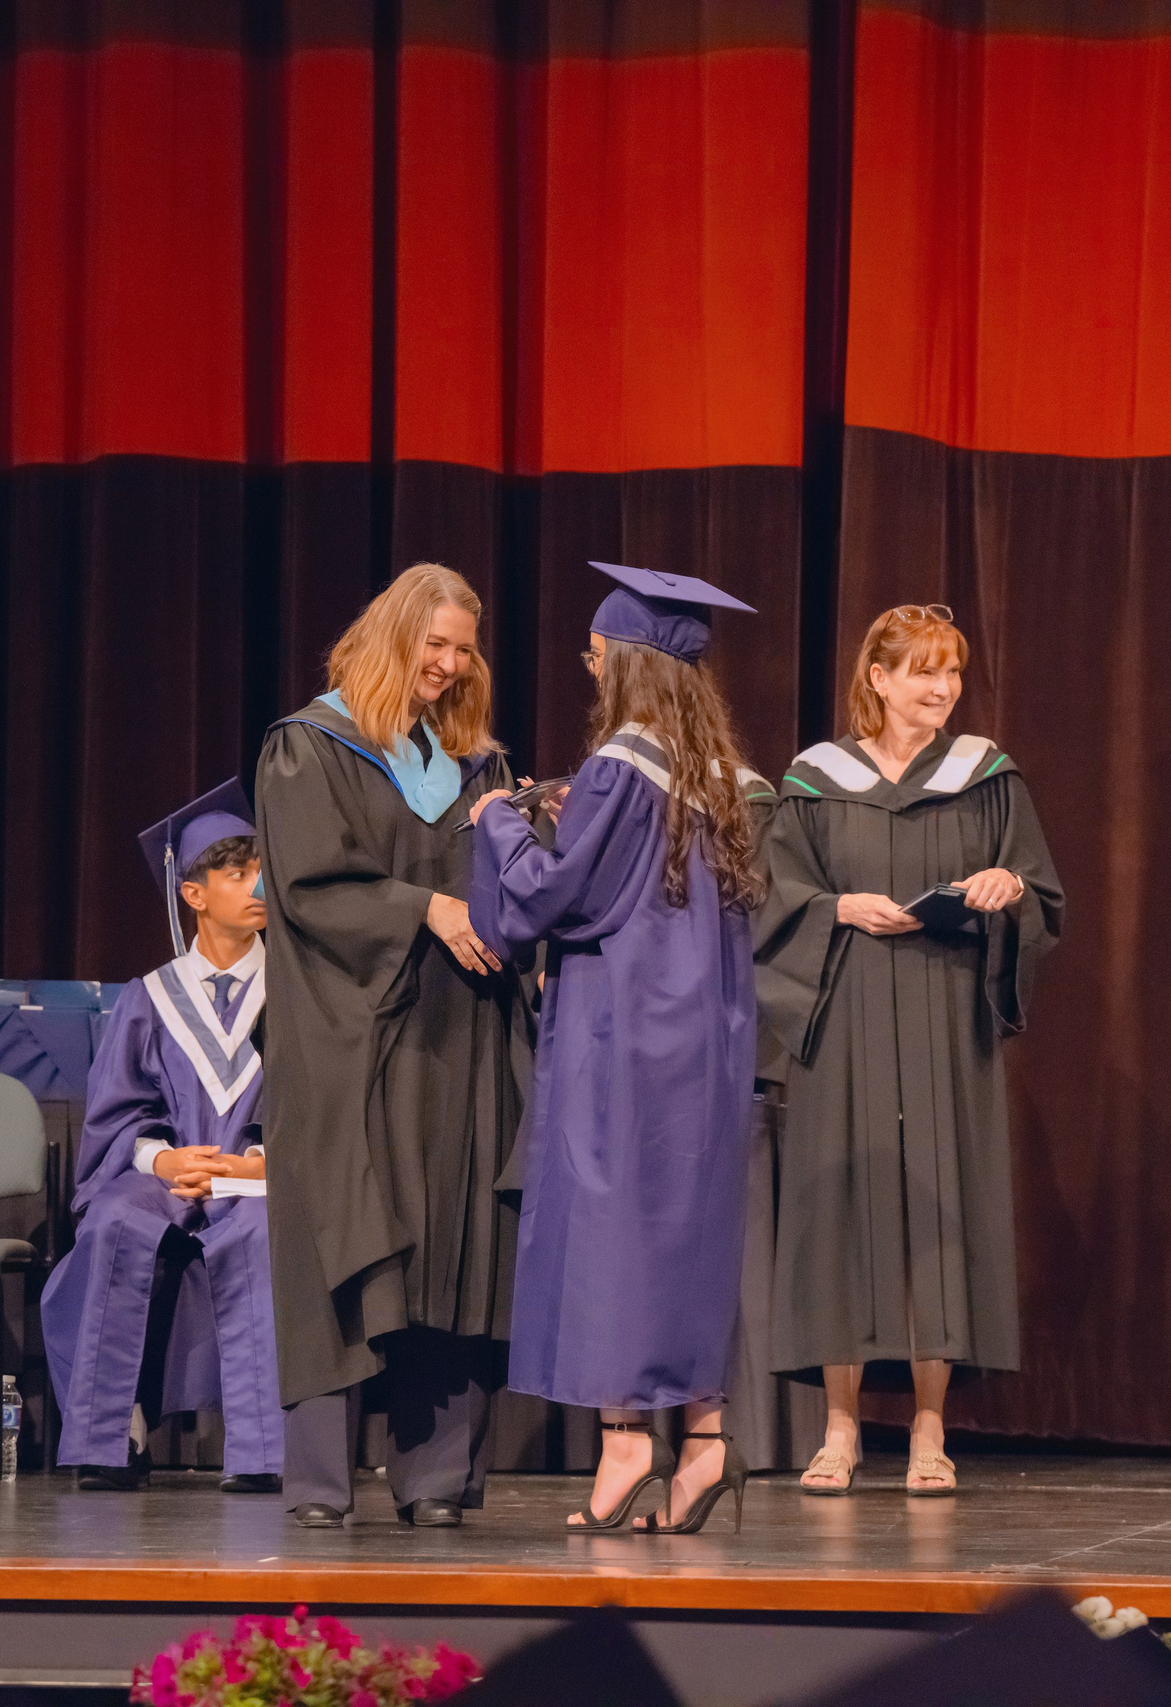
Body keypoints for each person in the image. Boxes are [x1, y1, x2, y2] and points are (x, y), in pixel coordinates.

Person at [470, 562, 774, 1534]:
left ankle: (625, 1442)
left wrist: (500, 825)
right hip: (709, 1040)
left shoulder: (617, 768)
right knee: (686, 1231)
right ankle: (705, 1443)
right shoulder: (717, 778)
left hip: (622, 1034)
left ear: (632, 667)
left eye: (598, 654)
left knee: (611, 1234)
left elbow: (556, 898)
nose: (587, 666)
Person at [756, 604, 1062, 1497]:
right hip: (843, 1006)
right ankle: (840, 1428)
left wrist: (1007, 888)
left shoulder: (988, 778)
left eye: (953, 673)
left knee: (942, 1202)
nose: (942, 689)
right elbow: (775, 897)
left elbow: (1038, 891)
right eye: (924, 671)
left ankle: (931, 1427)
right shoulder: (813, 780)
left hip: (941, 1006)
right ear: (877, 680)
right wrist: (838, 908)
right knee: (841, 1205)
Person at [256, 562, 530, 1528]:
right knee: (346, 1236)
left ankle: (437, 1478)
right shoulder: (310, 746)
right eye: (435, 646)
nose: (451, 667)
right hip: (348, 1037)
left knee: (451, 1239)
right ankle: (322, 1484)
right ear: (392, 637)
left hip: (460, 1030)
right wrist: (428, 906)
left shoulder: (475, 764)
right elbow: (311, 889)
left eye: (464, 649)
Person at [43, 780, 283, 1494]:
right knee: (117, 1217)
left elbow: (320, 1106)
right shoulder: (149, 996)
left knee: (263, 1228)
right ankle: (112, 1435)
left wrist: (256, 1161)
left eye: (260, 869)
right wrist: (168, 1157)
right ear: (195, 894)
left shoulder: (296, 991)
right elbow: (118, 1116)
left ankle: (263, 1448)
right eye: (236, 873)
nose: (256, 885)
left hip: (261, 1176)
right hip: (167, 1176)